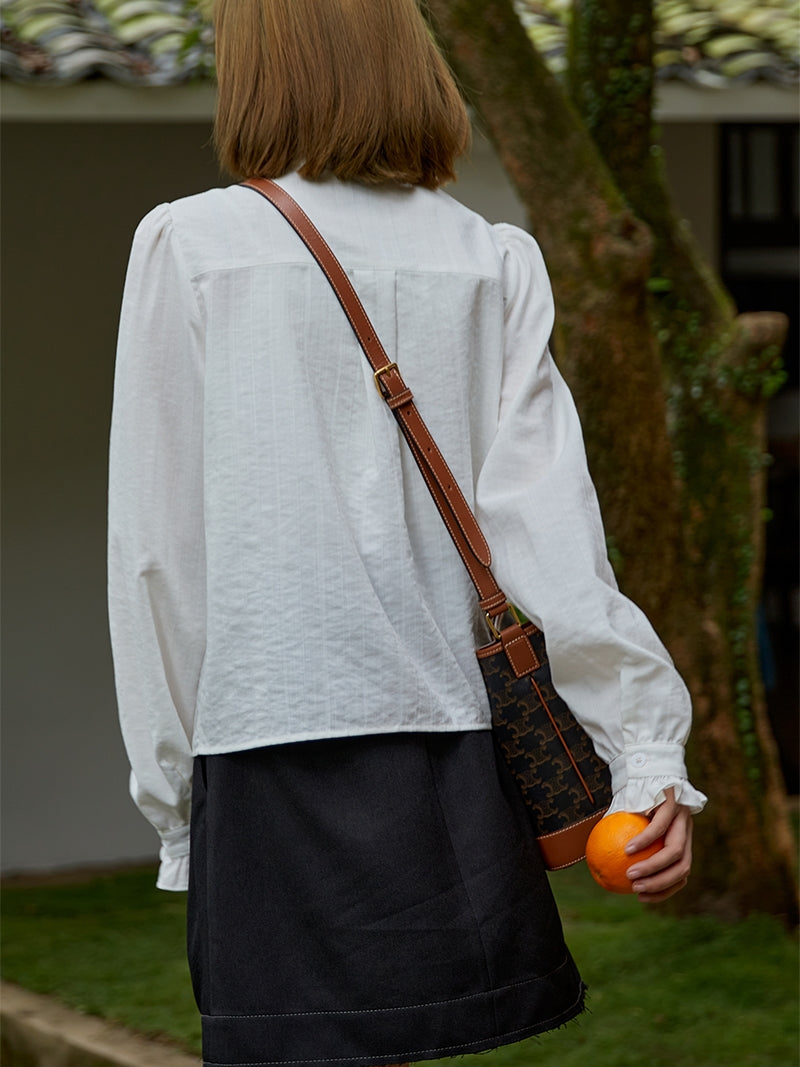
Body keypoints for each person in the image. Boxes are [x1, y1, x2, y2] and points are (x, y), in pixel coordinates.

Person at [107, 1, 707, 1065]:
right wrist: (646, 753)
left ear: (256, 66)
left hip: (266, 745)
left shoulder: (189, 245)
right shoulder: (490, 257)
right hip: (458, 757)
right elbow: (551, 530)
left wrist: (176, 807)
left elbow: (158, 556)